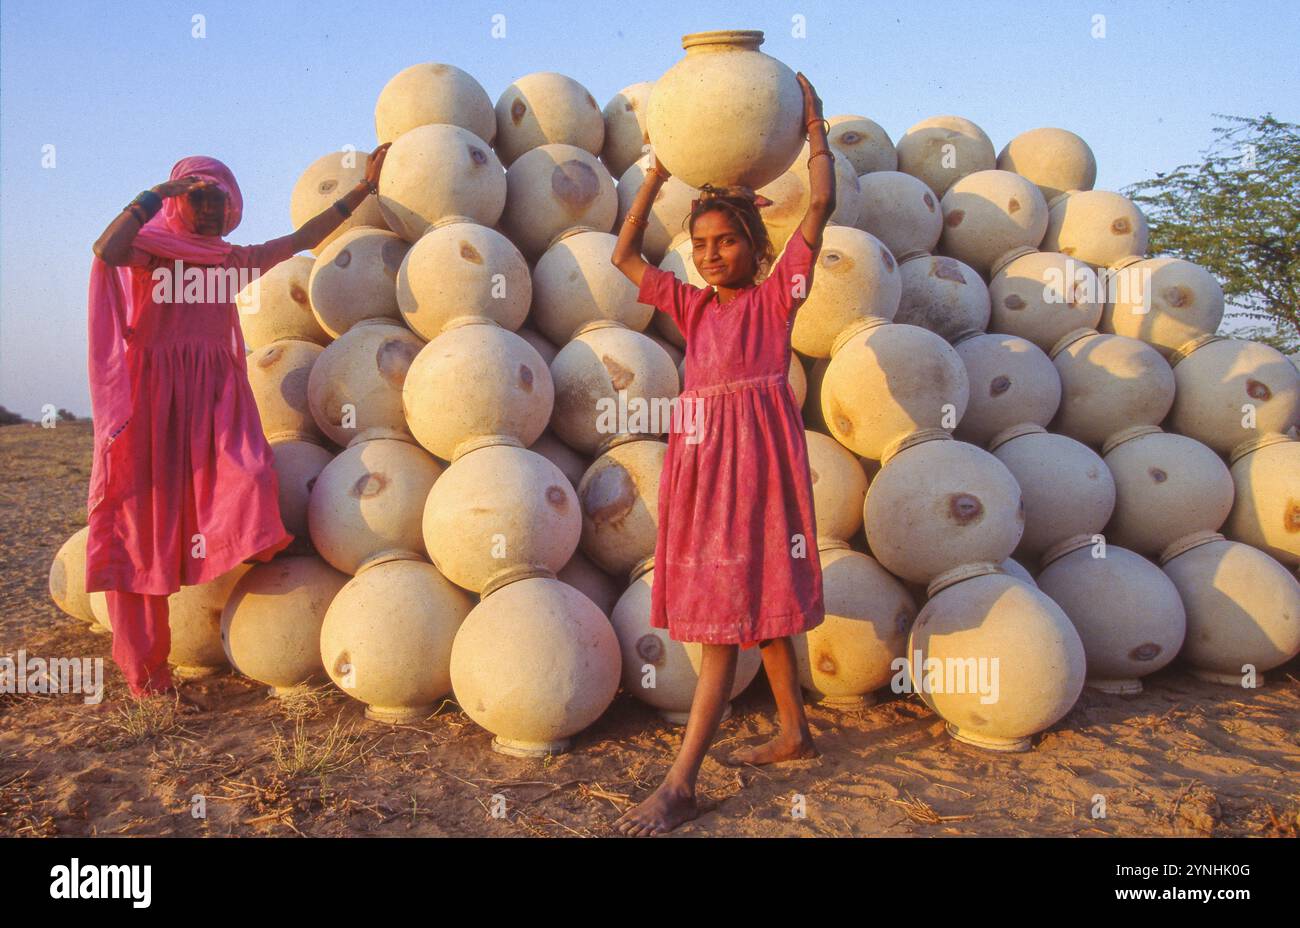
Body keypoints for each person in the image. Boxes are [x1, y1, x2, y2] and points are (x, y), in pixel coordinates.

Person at [608, 73, 837, 835]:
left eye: (726, 241)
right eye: (700, 244)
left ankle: (680, 784)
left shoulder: (777, 299)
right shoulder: (691, 306)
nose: (710, 255)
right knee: (754, 604)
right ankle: (796, 732)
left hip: (757, 468)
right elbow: (623, 257)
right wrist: (655, 178)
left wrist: (814, 132)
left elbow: (823, 208)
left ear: (755, 244)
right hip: (705, 470)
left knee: (721, 628)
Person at [86, 145, 390, 701]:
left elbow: (301, 239)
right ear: (179, 202)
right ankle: (147, 677)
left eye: (218, 199)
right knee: (143, 524)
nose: (208, 209)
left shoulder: (232, 260)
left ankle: (254, 560)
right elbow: (106, 249)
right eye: (198, 197)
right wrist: (154, 195)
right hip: (153, 398)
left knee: (248, 477)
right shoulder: (152, 252)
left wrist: (362, 191)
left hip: (215, 395)